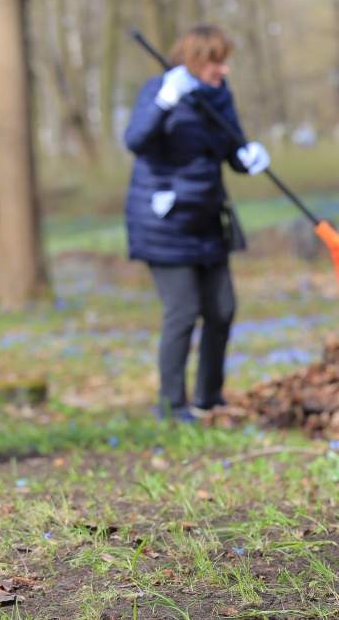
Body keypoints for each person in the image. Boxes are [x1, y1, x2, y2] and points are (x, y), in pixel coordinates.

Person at [123, 24, 270, 422]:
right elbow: (135, 140)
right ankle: (171, 406)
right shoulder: (158, 90)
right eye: (216, 61)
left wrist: (248, 157)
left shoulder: (219, 96)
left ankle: (208, 397)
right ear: (195, 60)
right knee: (182, 312)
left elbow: (231, 146)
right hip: (163, 220)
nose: (224, 69)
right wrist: (164, 103)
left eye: (225, 61)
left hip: (207, 220)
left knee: (222, 309)